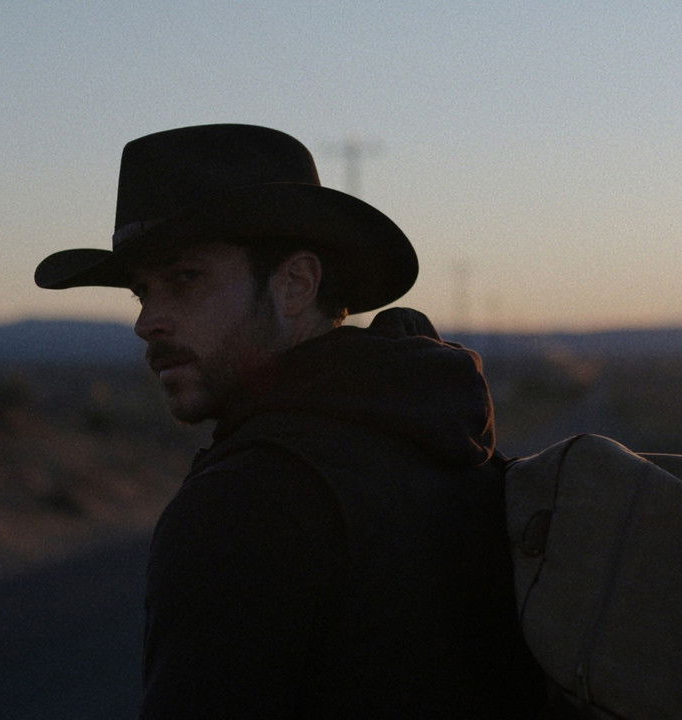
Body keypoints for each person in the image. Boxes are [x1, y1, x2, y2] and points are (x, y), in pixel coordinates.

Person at [35, 124, 544, 718]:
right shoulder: (442, 441)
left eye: (184, 279)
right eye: (142, 292)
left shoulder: (246, 501)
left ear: (296, 285)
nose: (148, 321)